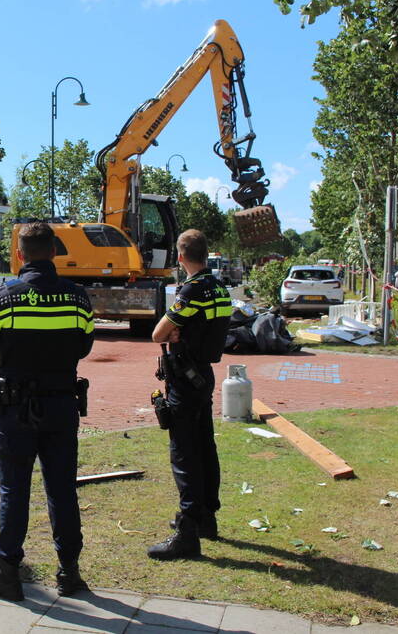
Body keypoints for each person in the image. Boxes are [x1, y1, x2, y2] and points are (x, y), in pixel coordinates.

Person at [0, 222, 94, 602]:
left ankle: (7, 573)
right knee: (62, 491)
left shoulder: (5, 297)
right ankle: (69, 574)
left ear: (20, 254)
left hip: (14, 411)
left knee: (13, 492)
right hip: (60, 407)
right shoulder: (77, 298)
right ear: (54, 251)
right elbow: (84, 346)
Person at [147, 229, 231, 560]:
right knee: (204, 446)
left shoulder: (192, 290)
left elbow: (158, 334)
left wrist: (175, 330)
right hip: (204, 375)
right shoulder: (220, 288)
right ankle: (206, 518)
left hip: (184, 377)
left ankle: (187, 533)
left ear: (181, 257)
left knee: (183, 453)